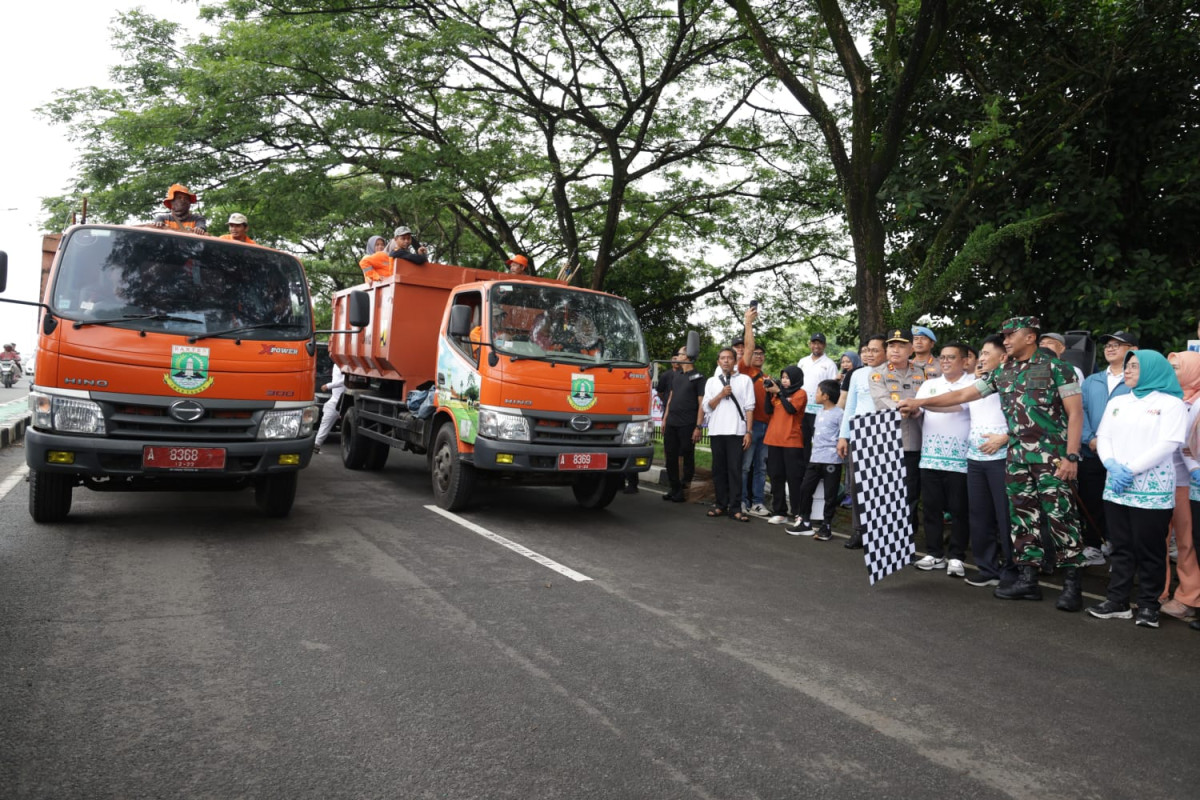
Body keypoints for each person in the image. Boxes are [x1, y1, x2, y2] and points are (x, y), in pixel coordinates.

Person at [900, 316, 1086, 610]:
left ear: (1031, 337)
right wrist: (920, 403)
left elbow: (1075, 414)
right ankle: (1028, 580)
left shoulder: (1058, 368)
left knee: (1061, 518)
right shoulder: (1004, 372)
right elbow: (962, 394)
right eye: (1005, 335)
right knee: (1024, 520)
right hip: (1016, 459)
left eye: (1012, 335)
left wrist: (1071, 456)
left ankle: (1073, 584)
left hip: (1052, 458)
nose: (1007, 339)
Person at [1087, 351, 1187, 628]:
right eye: (1127, 366)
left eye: (1134, 366)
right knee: (1120, 546)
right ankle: (1117, 600)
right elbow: (1103, 436)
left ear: (1153, 370)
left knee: (1151, 549)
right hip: (1117, 485)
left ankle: (1148, 605)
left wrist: (1129, 470)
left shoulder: (1170, 403)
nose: (1127, 371)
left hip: (1151, 489)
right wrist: (1111, 464)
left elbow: (1168, 443)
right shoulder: (1118, 401)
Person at [912, 342, 974, 576]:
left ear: (965, 361)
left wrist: (921, 403)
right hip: (929, 457)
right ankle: (934, 553)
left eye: (951, 357)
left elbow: (956, 406)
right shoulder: (929, 384)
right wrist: (912, 409)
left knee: (959, 510)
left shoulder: (972, 384)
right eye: (943, 357)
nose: (945, 361)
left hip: (959, 458)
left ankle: (957, 556)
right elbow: (920, 412)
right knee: (931, 508)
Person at [1079, 331, 1138, 564]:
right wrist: (1090, 439)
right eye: (1108, 345)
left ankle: (1118, 551)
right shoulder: (1092, 380)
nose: (1110, 348)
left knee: (1118, 504)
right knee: (1091, 500)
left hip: (1123, 455)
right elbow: (1079, 411)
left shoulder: (1137, 379)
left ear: (1133, 349)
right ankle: (1094, 546)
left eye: (1117, 345)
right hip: (1091, 450)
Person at [963, 335, 1017, 588]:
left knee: (1006, 515)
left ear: (1003, 357)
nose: (981, 358)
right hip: (974, 458)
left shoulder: (1014, 381)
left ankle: (1013, 569)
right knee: (979, 514)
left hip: (1002, 458)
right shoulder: (978, 384)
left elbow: (1029, 419)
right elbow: (954, 405)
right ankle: (987, 567)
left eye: (986, 353)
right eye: (981, 353)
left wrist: (1005, 437)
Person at [837, 333, 887, 548]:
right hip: (859, 433)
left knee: (881, 486)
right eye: (866, 350)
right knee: (858, 486)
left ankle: (881, 534)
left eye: (875, 350)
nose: (869, 354)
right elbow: (850, 406)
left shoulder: (894, 372)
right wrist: (843, 436)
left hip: (885, 435)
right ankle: (859, 530)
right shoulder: (857, 374)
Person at [1161, 350, 1200, 620]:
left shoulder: (1197, 403)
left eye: (1177, 368)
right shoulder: (1163, 398)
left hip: (1187, 484)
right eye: (1169, 367)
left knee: (1187, 544)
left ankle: (1189, 597)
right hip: (1159, 481)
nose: (1172, 373)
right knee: (1157, 541)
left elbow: (1188, 446)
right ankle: (1157, 592)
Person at [786, 379, 844, 541]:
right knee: (805, 489)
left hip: (832, 460)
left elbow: (843, 437)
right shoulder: (819, 412)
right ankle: (805, 521)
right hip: (815, 458)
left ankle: (826, 526)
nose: (816, 395)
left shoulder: (840, 414)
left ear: (825, 396)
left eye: (818, 392)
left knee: (830, 494)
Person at [702, 347, 754, 521]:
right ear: (718, 362)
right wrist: (721, 394)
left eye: (729, 358)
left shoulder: (745, 380)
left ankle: (736, 507)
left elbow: (749, 408)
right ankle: (720, 504)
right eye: (722, 358)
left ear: (735, 361)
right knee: (719, 470)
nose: (726, 361)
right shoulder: (711, 382)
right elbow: (707, 407)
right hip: (717, 431)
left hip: (736, 431)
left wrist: (748, 431)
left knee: (735, 470)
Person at [762, 365, 808, 526]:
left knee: (794, 478)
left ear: (795, 379)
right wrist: (769, 394)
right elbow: (767, 410)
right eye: (783, 378)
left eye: (787, 378)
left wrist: (779, 392)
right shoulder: (777, 394)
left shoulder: (800, 393)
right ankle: (779, 511)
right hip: (774, 440)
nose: (784, 381)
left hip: (792, 441)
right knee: (776, 476)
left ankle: (798, 513)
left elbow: (791, 410)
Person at [660, 345, 706, 502]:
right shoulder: (676, 375)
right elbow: (671, 398)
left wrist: (698, 426)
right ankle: (674, 488)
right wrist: (665, 418)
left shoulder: (699, 377)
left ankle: (684, 487)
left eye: (679, 354)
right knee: (670, 456)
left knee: (687, 454)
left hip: (687, 423)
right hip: (672, 421)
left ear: (686, 357)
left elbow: (702, 404)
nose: (677, 357)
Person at [798, 333, 840, 472]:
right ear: (810, 344)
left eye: (819, 343)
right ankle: (805, 471)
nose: (816, 346)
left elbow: (832, 388)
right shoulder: (803, 361)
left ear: (824, 345)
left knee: (820, 441)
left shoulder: (829, 364)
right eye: (814, 343)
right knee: (803, 442)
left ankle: (820, 471)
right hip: (803, 409)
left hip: (820, 411)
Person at [312, 363, 345, 455]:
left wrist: (328, 386)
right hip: (335, 400)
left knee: (327, 422)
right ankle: (316, 444)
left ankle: (317, 444)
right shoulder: (336, 365)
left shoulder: (346, 364)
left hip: (345, 401)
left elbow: (345, 380)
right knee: (325, 422)